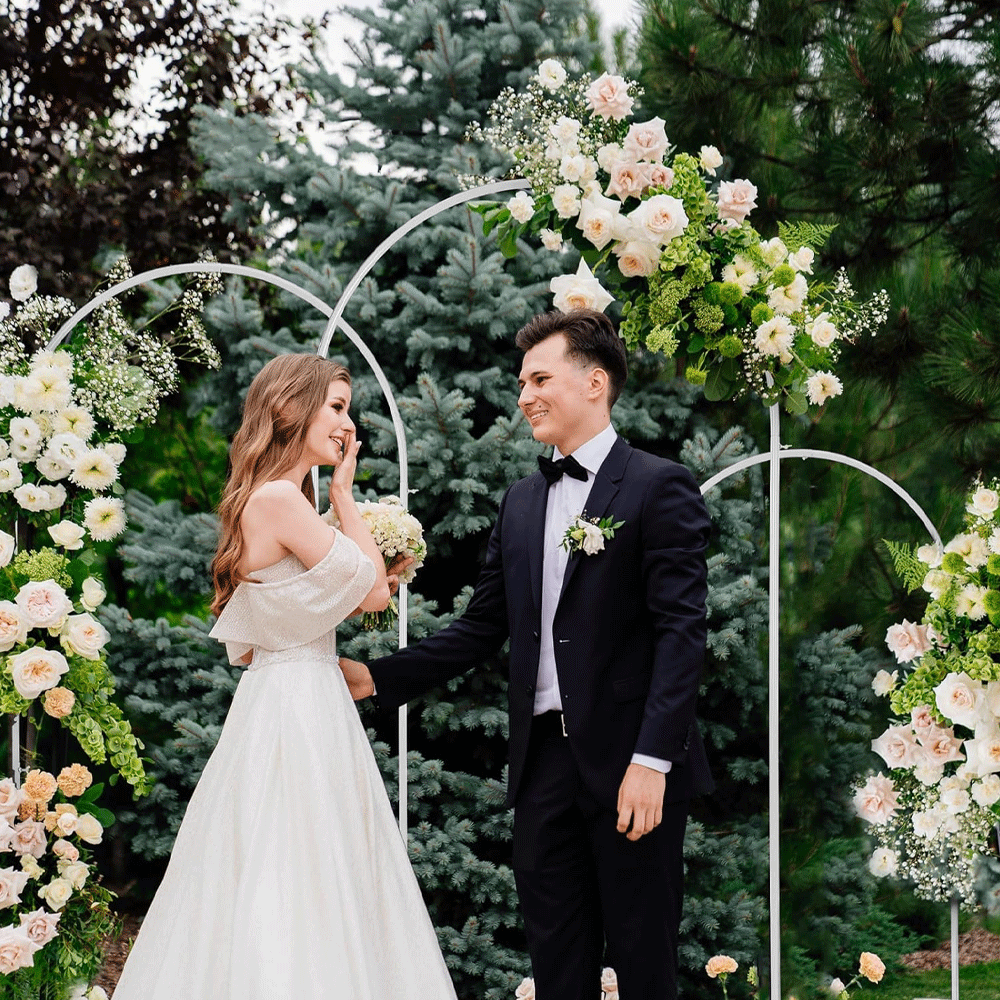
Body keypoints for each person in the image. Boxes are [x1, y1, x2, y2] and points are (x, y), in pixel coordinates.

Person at [339, 309, 714, 1000]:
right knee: (557, 967)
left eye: (539, 379)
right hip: (541, 768)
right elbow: (483, 626)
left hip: (631, 763)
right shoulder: (519, 502)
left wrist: (652, 761)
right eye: (521, 383)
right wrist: (378, 678)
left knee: (645, 967)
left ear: (594, 382)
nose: (524, 396)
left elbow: (681, 632)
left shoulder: (659, 486)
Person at [112, 353, 457, 1000]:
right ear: (289, 409)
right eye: (336, 407)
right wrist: (345, 495)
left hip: (295, 693)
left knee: (300, 854)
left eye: (349, 410)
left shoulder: (282, 500)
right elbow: (370, 592)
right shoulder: (277, 499)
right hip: (299, 702)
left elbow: (347, 593)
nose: (348, 425)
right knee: (301, 856)